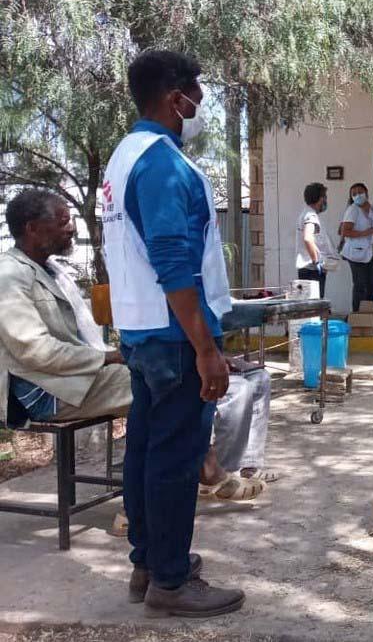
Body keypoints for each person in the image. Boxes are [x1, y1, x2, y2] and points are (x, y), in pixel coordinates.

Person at [103, 50, 244, 617]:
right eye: (198, 97)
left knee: (144, 448)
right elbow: (170, 257)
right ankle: (169, 579)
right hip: (174, 335)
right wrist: (205, 347)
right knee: (176, 457)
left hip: (141, 329)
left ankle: (150, 562)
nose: (202, 107)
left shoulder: (122, 158)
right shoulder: (161, 163)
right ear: (174, 98)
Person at [0, 190, 132, 427]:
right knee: (159, 381)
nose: (71, 228)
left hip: (69, 378)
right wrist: (108, 357)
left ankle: (183, 461)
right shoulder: (8, 275)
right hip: (43, 392)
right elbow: (37, 351)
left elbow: (78, 326)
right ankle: (197, 463)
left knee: (165, 375)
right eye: (63, 222)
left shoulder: (52, 269)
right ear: (32, 228)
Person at [340, 182, 373, 312]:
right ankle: (357, 315)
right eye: (354, 194)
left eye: (360, 192)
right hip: (356, 254)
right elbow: (345, 231)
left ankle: (367, 313)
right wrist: (365, 233)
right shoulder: (353, 210)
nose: (358, 195)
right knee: (360, 285)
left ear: (366, 193)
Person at [295, 182, 333, 298]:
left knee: (309, 304)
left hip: (306, 267)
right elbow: (308, 238)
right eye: (325, 197)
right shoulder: (311, 216)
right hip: (311, 269)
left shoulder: (306, 213)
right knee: (315, 304)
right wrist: (317, 261)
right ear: (321, 199)